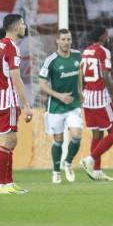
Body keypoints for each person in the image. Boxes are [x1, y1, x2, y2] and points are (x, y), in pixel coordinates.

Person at [0, 14, 32, 194]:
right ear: (15, 27)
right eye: (22, 24)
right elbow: (16, 78)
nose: (24, 26)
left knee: (9, 141)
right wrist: (27, 105)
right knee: (9, 141)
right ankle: (2, 184)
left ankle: (9, 182)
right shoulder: (12, 47)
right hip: (7, 100)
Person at [39, 29, 82, 184]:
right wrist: (59, 96)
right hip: (56, 106)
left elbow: (79, 73)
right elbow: (42, 84)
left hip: (73, 104)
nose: (66, 42)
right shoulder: (51, 60)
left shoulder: (77, 55)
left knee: (77, 135)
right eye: (63, 39)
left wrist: (80, 91)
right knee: (58, 139)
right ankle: (56, 172)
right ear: (57, 40)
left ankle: (68, 162)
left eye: (69, 39)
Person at [79, 26, 113, 181]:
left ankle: (96, 171)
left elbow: (81, 75)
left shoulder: (86, 51)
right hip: (101, 98)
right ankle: (89, 160)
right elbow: (105, 75)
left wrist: (81, 92)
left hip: (88, 97)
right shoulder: (103, 52)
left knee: (97, 134)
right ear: (103, 36)